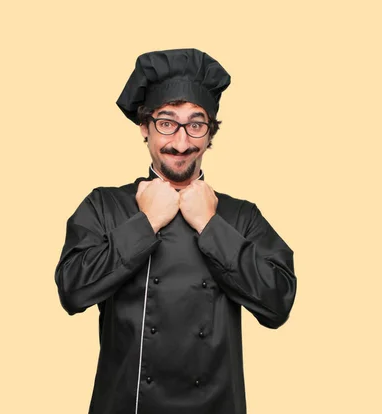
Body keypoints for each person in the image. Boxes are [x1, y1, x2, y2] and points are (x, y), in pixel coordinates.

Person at [54, 48, 297, 414]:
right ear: (145, 126)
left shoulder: (239, 215)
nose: (181, 143)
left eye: (195, 124)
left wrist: (211, 226)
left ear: (210, 132)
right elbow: (72, 291)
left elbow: (278, 303)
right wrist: (146, 223)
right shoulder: (106, 206)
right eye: (167, 123)